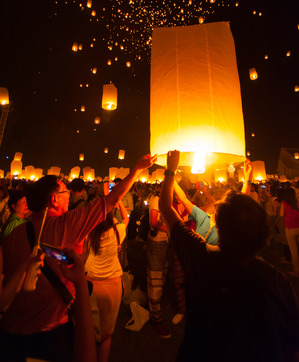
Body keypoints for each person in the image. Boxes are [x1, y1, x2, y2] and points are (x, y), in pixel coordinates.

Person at [0, 153, 156, 362]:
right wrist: (137, 169)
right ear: (54, 199)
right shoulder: (66, 225)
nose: (70, 196)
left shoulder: (12, 235)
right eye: (65, 191)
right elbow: (112, 199)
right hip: (49, 333)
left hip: (8, 335)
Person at [159, 150, 299, 362]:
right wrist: (247, 179)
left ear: (221, 228)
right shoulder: (277, 282)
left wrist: (170, 170)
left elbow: (165, 207)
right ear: (261, 232)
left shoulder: (201, 258)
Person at [85, 200, 129, 362]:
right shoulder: (117, 231)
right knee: (106, 334)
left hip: (91, 282)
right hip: (112, 284)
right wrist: (120, 203)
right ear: (110, 216)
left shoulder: (88, 232)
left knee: (90, 330)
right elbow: (127, 218)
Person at [147, 183, 171, 338]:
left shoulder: (165, 201)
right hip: (157, 242)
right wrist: (170, 228)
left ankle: (157, 302)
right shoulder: (156, 199)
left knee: (162, 273)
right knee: (155, 278)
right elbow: (153, 221)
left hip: (165, 242)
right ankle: (155, 316)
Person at [280, 187, 299, 278]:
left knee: (294, 250)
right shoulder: (297, 202)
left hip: (290, 229)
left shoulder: (284, 203)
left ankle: (297, 271)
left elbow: (281, 214)